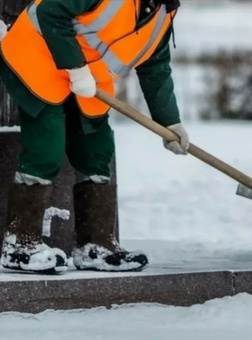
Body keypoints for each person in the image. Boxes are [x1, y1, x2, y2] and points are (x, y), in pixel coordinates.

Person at [0, 0, 189, 274]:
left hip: (88, 78)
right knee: (46, 146)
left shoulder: (163, 14)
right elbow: (50, 12)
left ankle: (95, 246)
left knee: (97, 149)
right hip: (36, 54)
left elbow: (155, 67)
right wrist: (75, 68)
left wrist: (170, 122)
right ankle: (20, 245)